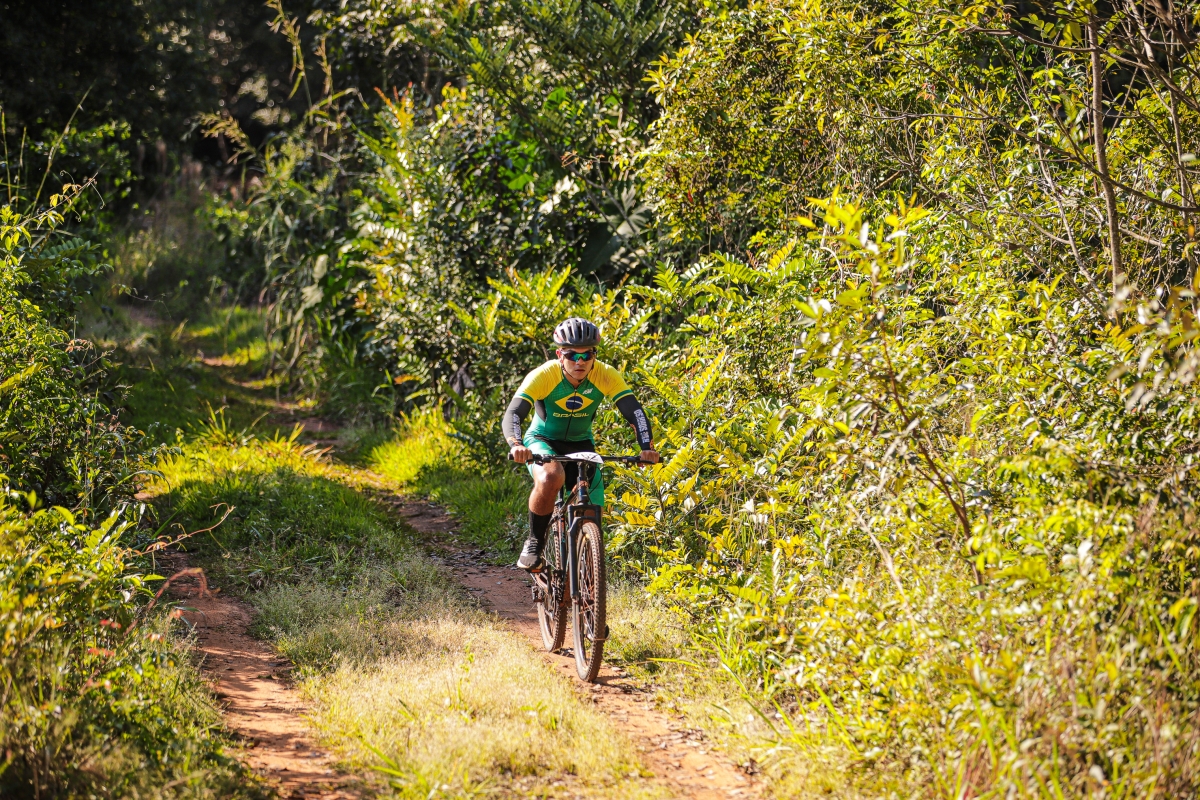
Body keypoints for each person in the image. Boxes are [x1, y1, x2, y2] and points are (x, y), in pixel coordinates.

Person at [502, 317, 660, 570]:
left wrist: (646, 448)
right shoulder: (545, 375)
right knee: (551, 477)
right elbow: (514, 412)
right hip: (542, 440)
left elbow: (635, 413)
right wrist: (516, 444)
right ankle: (535, 541)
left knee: (591, 510)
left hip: (581, 443)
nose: (580, 362)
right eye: (572, 355)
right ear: (559, 355)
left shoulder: (605, 374)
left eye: (587, 355)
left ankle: (585, 575)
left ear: (594, 355)